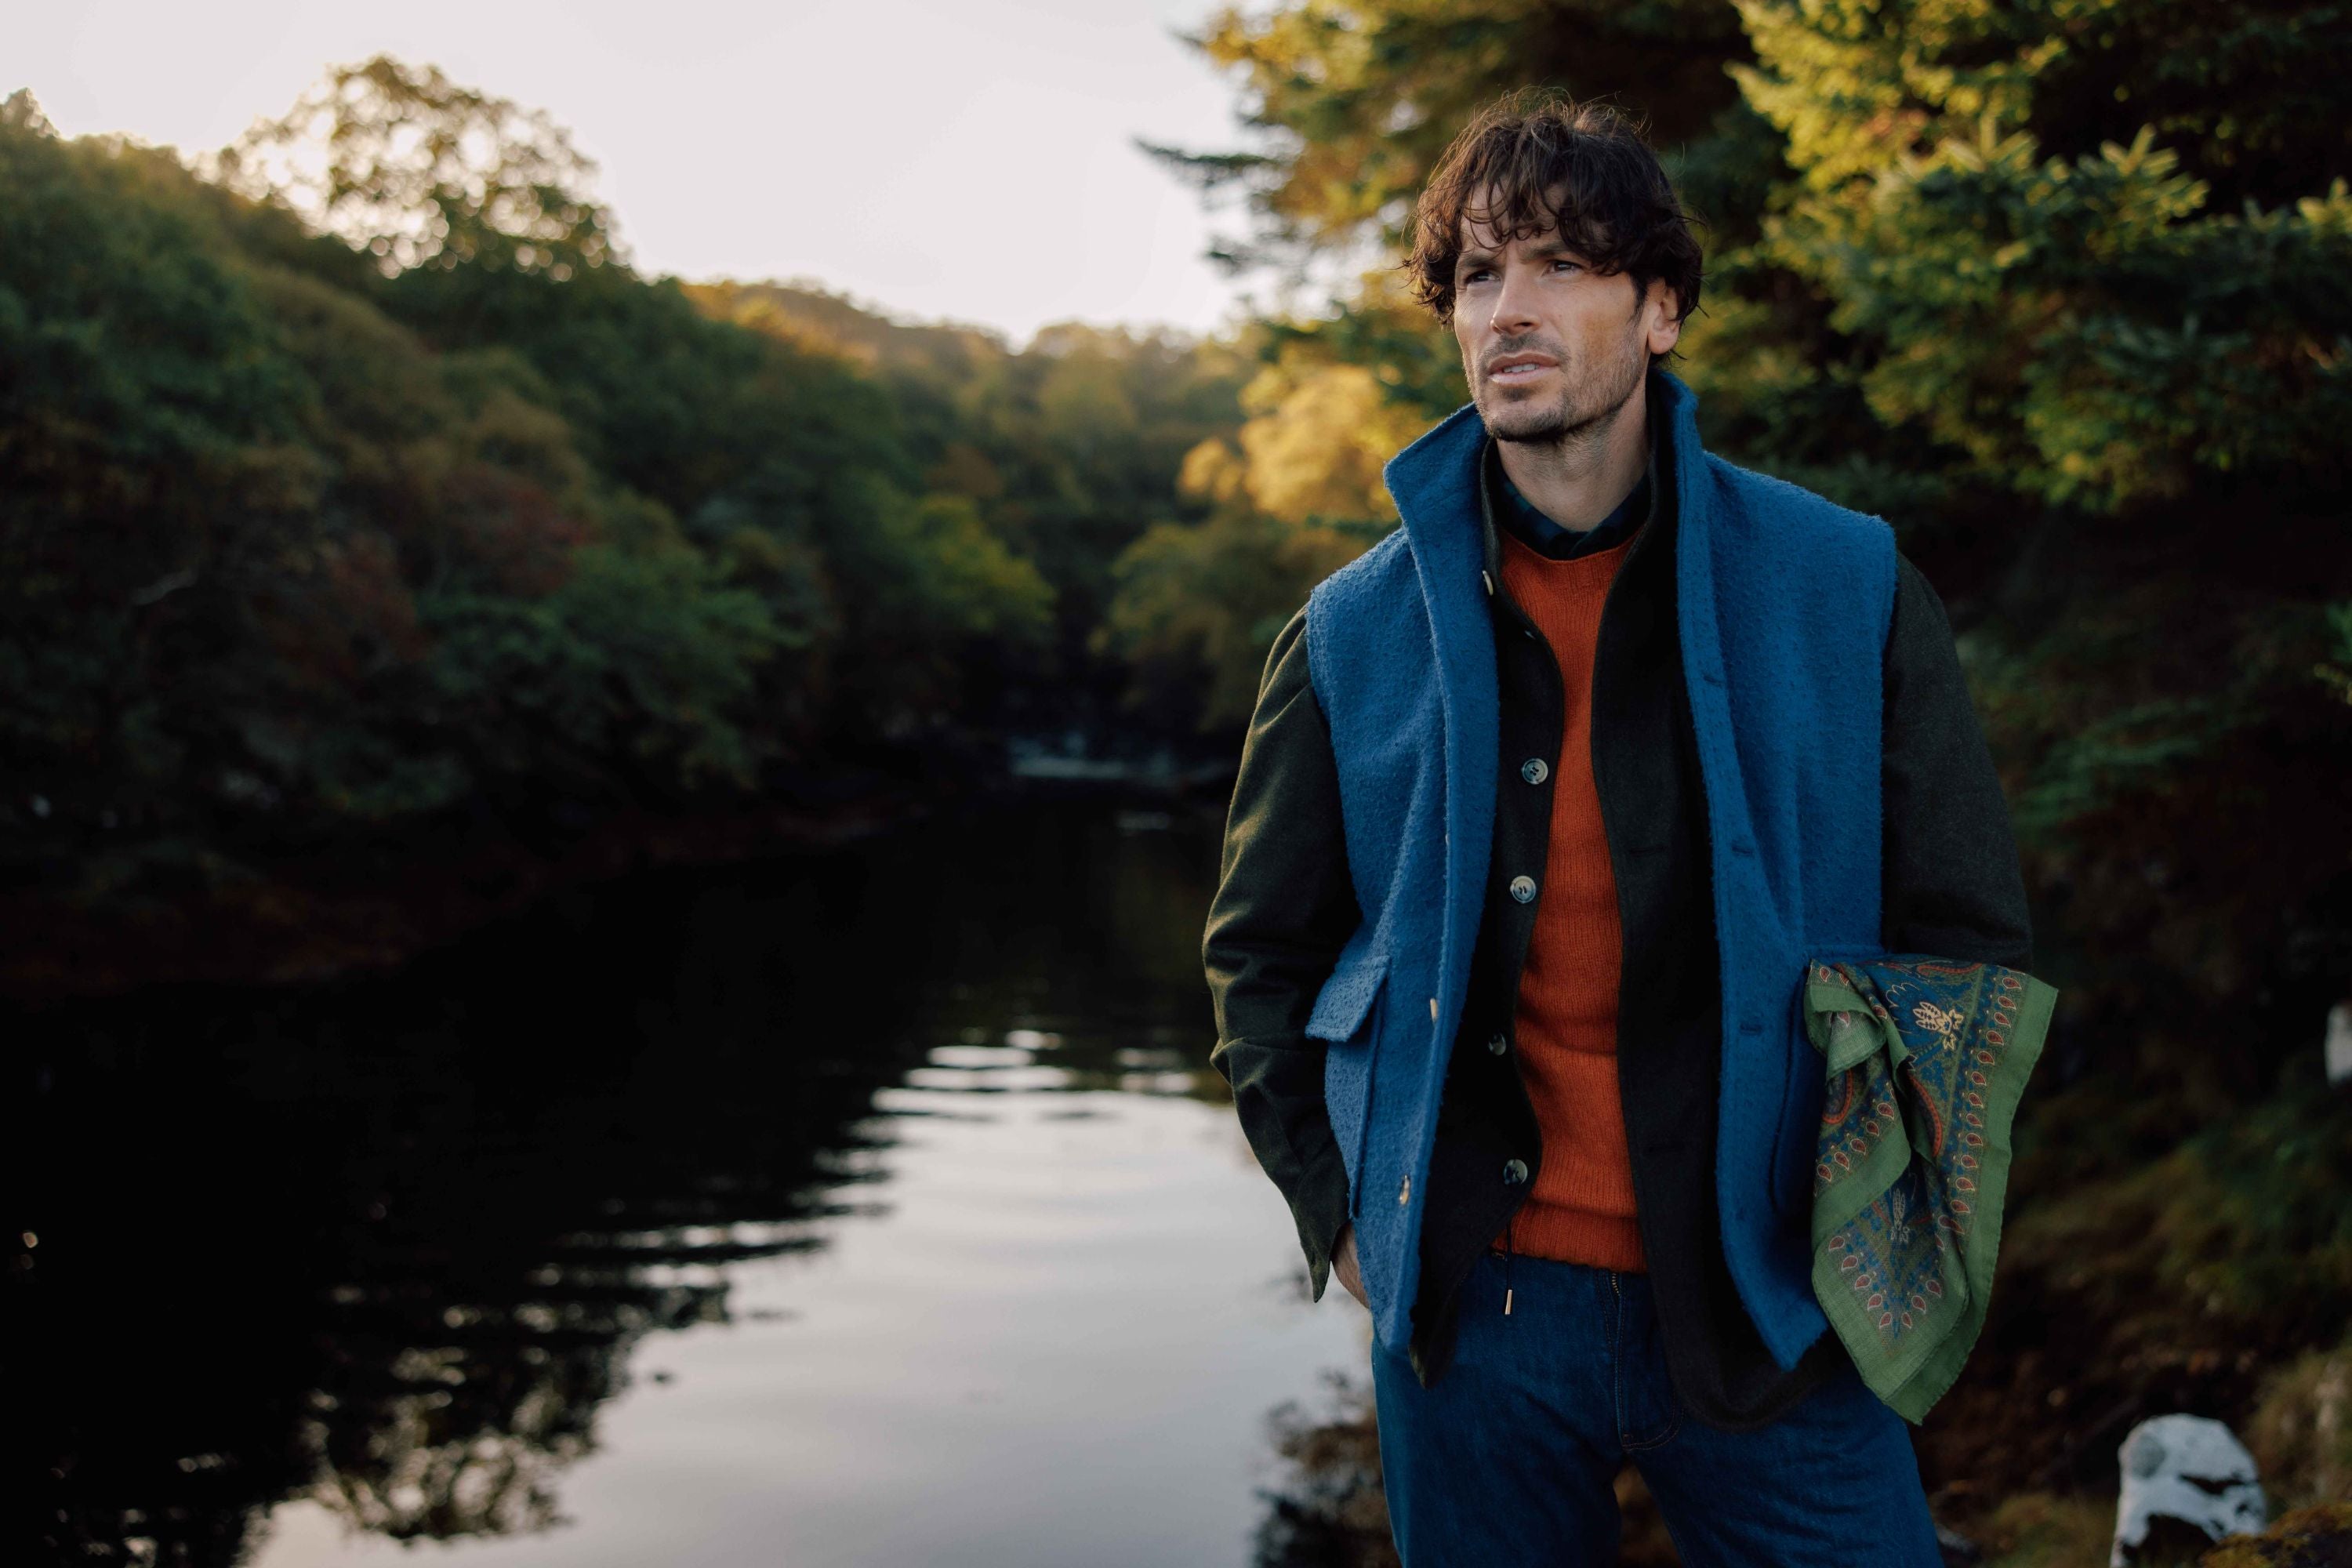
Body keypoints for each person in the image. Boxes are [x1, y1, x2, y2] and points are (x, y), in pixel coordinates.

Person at [1203, 91, 2034, 1566]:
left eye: (1558, 266)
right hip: (1472, 1320)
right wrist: (1343, 1223)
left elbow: (1965, 944)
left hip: (1772, 1298)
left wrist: (1882, 1230)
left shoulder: (1849, 590)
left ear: (1659, 309)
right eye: (1474, 275)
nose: (1505, 311)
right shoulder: (1349, 634)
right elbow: (1260, 954)